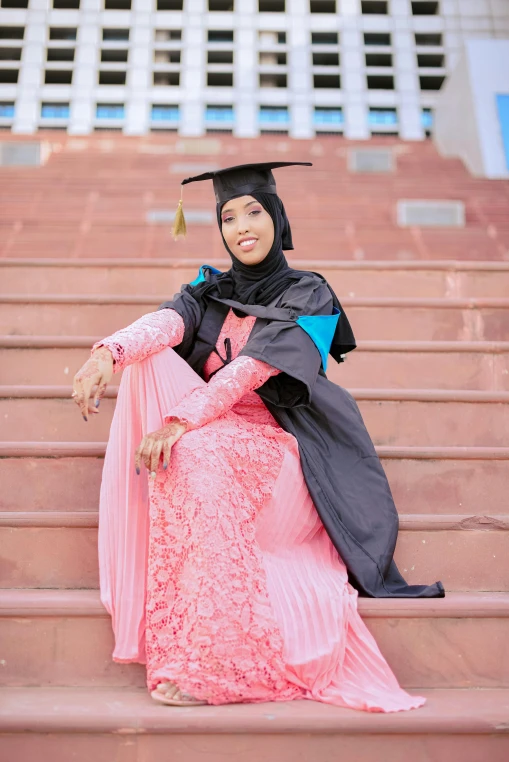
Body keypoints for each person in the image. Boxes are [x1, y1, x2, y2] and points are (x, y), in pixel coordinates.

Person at [72, 161, 444, 711]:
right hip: (211, 433)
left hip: (287, 447)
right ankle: (187, 651)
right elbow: (167, 323)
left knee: (190, 452)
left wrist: (181, 420)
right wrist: (109, 353)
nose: (242, 226)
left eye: (254, 212)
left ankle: (228, 663)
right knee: (159, 384)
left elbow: (253, 369)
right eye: (229, 217)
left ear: (276, 217)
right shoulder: (210, 288)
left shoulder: (308, 293)